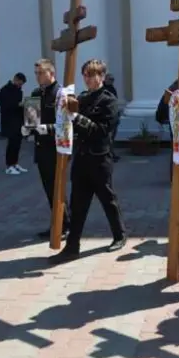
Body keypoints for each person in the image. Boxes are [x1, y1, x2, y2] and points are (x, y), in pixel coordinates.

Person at [49, 59, 128, 264]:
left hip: (100, 158)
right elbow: (69, 123)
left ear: (101, 76)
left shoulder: (108, 101)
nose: (88, 79)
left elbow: (101, 131)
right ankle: (72, 247)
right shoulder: (82, 98)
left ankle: (119, 235)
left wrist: (76, 117)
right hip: (82, 158)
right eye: (85, 74)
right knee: (78, 204)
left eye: (92, 75)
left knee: (107, 199)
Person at [21, 59, 70, 240]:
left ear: (52, 73)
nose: (38, 76)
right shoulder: (35, 93)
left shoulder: (60, 94)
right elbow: (31, 121)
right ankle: (57, 223)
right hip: (41, 149)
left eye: (41, 72)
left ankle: (65, 225)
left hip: (56, 148)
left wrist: (47, 128)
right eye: (36, 73)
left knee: (58, 189)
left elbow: (65, 124)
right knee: (49, 189)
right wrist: (27, 128)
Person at [0, 72, 28, 175]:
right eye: (20, 83)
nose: (20, 86)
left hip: (18, 121)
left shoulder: (19, 91)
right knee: (11, 144)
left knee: (17, 143)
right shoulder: (5, 90)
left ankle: (15, 163)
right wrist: (18, 104)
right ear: (15, 79)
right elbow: (6, 106)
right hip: (9, 121)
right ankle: (9, 165)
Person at [155, 80, 179, 180]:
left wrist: (161, 119)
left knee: (175, 150)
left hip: (174, 124)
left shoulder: (172, 89)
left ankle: (174, 178)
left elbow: (161, 108)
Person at [104, 73, 121, 162]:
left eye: (112, 79)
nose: (111, 81)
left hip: (114, 116)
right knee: (108, 138)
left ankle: (111, 154)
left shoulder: (112, 89)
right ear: (105, 79)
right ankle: (109, 155)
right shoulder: (103, 89)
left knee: (112, 137)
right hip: (107, 118)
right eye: (110, 79)